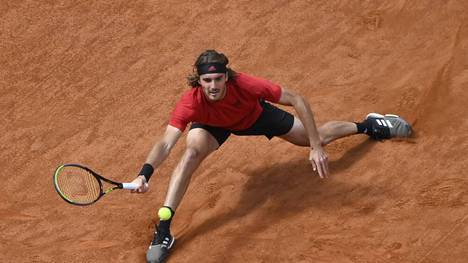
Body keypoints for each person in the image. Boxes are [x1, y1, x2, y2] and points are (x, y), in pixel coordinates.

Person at [130, 50, 412, 263]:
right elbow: (166, 143)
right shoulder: (191, 102)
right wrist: (145, 172)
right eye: (207, 80)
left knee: (318, 136)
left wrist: (315, 146)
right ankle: (165, 227)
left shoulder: (247, 85)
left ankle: (369, 124)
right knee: (190, 153)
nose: (213, 85)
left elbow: (297, 99)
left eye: (218, 78)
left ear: (226, 76)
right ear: (199, 81)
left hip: (255, 116)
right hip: (213, 124)